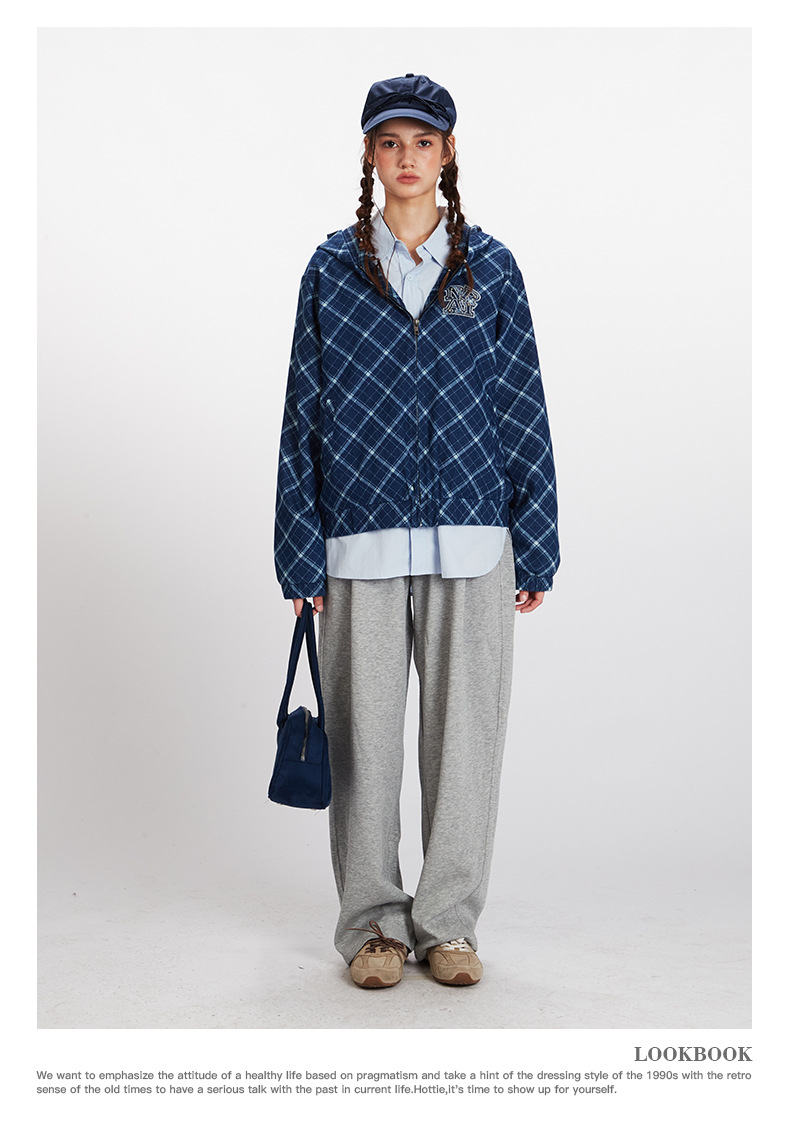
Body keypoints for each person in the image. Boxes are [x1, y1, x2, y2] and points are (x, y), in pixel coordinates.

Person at [274, 73, 559, 988]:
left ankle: (448, 925)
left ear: (448, 152)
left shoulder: (491, 268)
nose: (407, 158)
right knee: (364, 746)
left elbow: (521, 404)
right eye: (390, 142)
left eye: (423, 142)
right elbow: (302, 411)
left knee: (466, 741)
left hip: (474, 538)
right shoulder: (330, 269)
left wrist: (537, 535)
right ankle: (372, 927)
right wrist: (297, 545)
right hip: (355, 540)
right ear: (369, 153)